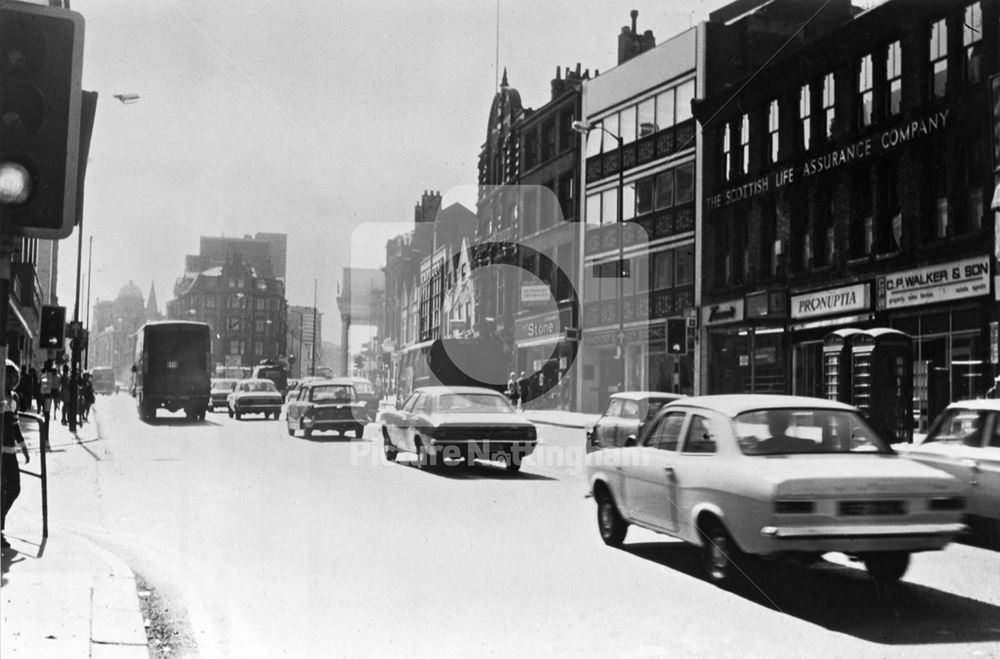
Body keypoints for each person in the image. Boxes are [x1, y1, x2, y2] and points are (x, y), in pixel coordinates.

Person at [2, 360, 30, 550]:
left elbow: (15, 425)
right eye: (9, 377)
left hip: (9, 451)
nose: (13, 381)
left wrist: (23, 447)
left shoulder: (14, 398)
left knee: (14, 488)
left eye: (15, 377)